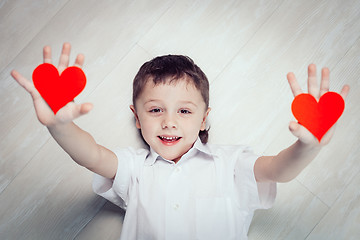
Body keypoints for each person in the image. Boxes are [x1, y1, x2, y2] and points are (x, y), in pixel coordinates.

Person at [11, 43, 350, 240]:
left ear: (204, 118)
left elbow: (278, 169)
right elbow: (92, 155)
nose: (169, 121)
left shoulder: (229, 163)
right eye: (155, 109)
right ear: (137, 117)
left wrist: (309, 145)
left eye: (185, 111)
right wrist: (59, 126)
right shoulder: (135, 167)